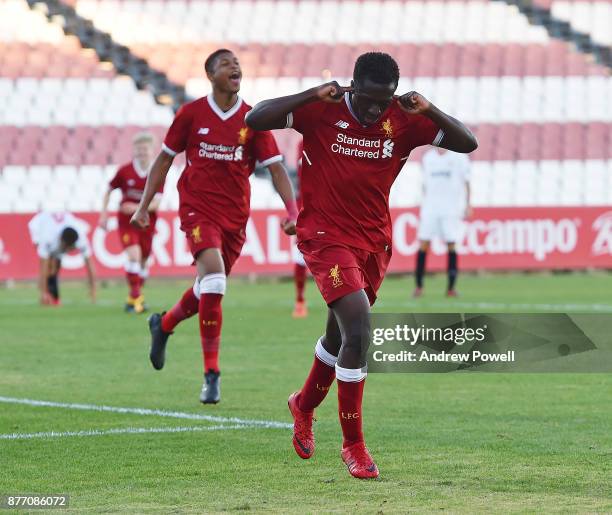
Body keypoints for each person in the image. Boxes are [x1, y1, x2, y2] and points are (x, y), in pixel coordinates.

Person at [246, 52, 477, 479]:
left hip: (373, 243)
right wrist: (312, 92)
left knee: (339, 338)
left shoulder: (403, 118)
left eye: (383, 100)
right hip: (324, 237)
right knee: (359, 329)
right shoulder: (322, 109)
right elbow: (257, 117)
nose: (375, 110)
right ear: (353, 85)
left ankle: (303, 405)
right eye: (369, 99)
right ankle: (353, 446)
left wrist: (429, 109)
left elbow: (467, 142)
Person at [130, 49, 298, 404]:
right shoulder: (191, 114)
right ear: (211, 75)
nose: (234, 66)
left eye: (236, 63)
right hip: (197, 211)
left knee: (207, 287)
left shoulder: (253, 119)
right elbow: (163, 160)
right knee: (215, 280)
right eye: (225, 64)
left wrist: (293, 210)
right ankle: (211, 374)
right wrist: (144, 206)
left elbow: (276, 167)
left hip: (235, 217)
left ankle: (164, 325)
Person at [99, 132, 163, 313]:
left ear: (152, 151)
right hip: (127, 221)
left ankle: (134, 297)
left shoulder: (158, 171)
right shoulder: (124, 171)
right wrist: (103, 214)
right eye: (139, 149)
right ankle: (136, 298)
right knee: (134, 256)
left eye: (145, 149)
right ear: (134, 151)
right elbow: (108, 190)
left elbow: (157, 202)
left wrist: (135, 208)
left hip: (147, 222)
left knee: (143, 261)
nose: (142, 152)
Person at [414, 147, 472, 298]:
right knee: (423, 244)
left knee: (451, 244)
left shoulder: (459, 157)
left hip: (451, 209)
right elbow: (424, 184)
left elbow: (467, 181)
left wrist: (468, 204)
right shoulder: (428, 158)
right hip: (430, 208)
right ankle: (419, 287)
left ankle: (451, 288)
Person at [28, 211, 96, 306]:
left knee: (55, 267)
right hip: (38, 224)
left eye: (70, 248)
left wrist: (93, 289)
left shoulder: (81, 239)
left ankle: (53, 295)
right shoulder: (47, 238)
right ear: (61, 240)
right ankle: (46, 293)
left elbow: (89, 264)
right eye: (66, 248)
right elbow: (42, 267)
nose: (67, 250)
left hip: (59, 223)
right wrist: (43, 293)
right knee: (50, 267)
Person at [292, 140, 308, 318]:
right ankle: (300, 299)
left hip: (332, 207)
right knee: (301, 254)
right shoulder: (303, 144)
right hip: (306, 206)